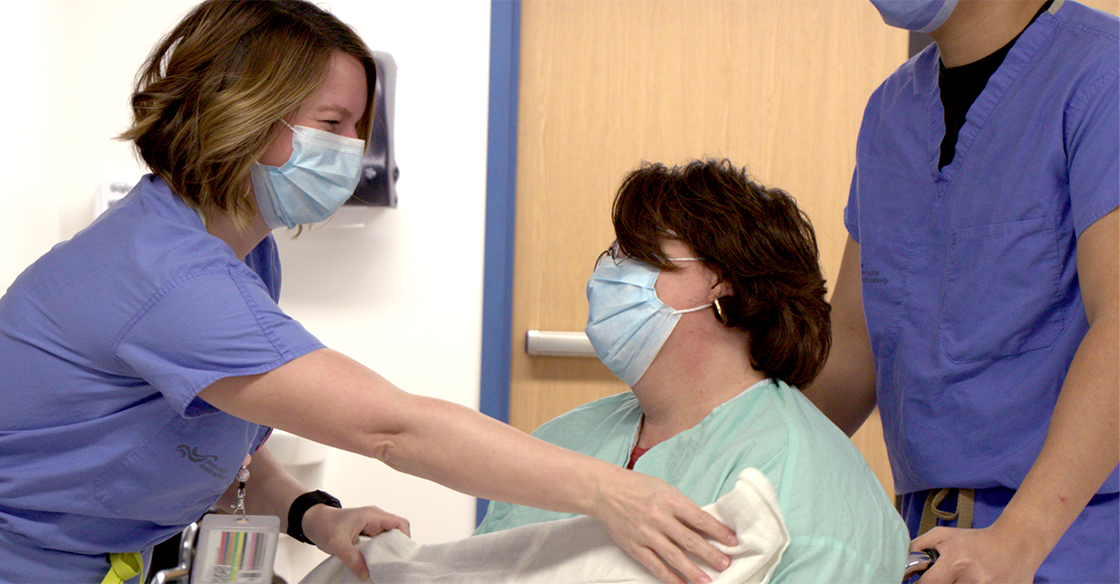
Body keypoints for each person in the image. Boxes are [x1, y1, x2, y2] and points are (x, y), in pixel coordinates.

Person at [0, 2, 739, 583]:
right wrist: (613, 492)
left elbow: (226, 451)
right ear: (244, 113)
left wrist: (315, 517)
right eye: (333, 125)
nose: (352, 152)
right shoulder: (170, 279)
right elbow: (394, 429)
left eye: (358, 128)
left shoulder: (242, 256)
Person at [475, 159, 911, 583]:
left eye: (637, 255)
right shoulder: (565, 440)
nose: (607, 271)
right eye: (613, 253)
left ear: (722, 282)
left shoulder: (811, 486)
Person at [802, 0, 1119, 582]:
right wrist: (726, 438)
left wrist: (1019, 541)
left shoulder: (1102, 74)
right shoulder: (891, 113)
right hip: (929, 542)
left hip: (1070, 542)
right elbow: (852, 347)